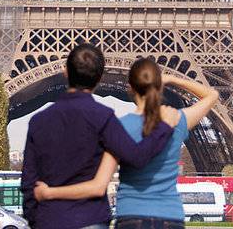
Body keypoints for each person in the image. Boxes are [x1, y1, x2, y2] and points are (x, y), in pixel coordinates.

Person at [34, 57, 219, 229]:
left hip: (131, 216)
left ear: (130, 88)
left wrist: (49, 193)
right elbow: (211, 95)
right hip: (170, 217)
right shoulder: (175, 119)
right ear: (158, 86)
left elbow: (98, 186)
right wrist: (173, 79)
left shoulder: (117, 127)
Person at [21, 45, 180, 229]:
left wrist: (38, 219)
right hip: (90, 218)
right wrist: (165, 126)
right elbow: (137, 157)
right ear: (100, 78)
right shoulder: (103, 117)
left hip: (49, 219)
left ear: (65, 72)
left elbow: (28, 182)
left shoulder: (38, 121)